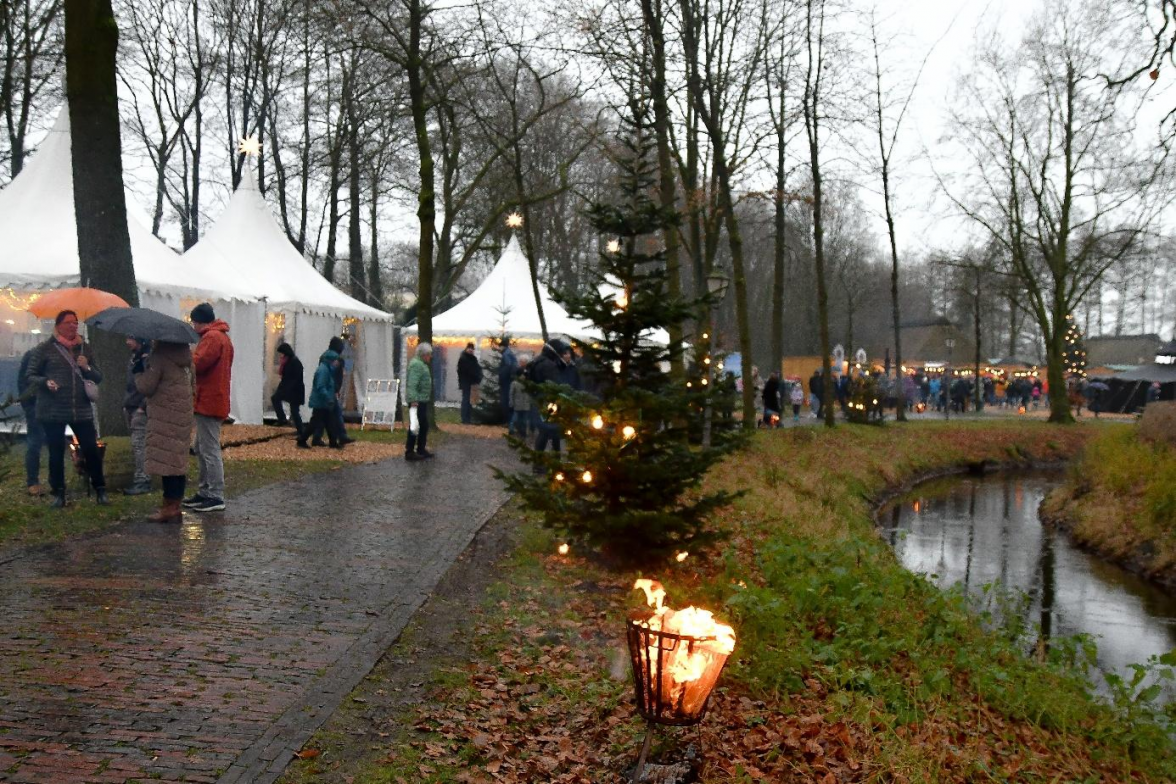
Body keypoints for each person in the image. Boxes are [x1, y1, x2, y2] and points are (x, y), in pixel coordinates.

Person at [27, 310, 108, 508]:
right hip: (53, 410)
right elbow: (30, 375)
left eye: (76, 322)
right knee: (56, 453)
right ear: (59, 326)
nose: (73, 326)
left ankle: (100, 490)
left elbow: (98, 377)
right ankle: (59, 493)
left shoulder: (84, 349)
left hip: (81, 409)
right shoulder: (45, 349)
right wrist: (45, 382)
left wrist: (87, 367)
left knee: (91, 449)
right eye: (69, 322)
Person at [135, 341, 195, 523]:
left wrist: (138, 370)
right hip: (183, 414)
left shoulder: (159, 358)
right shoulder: (187, 359)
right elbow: (194, 384)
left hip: (164, 415)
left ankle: (169, 507)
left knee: (167, 462)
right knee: (177, 460)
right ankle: (174, 504)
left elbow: (146, 387)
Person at [184, 302, 233, 513]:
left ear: (199, 321)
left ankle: (214, 494)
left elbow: (198, 363)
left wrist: (187, 355)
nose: (193, 326)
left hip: (209, 400)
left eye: (194, 322)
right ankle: (205, 491)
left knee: (209, 450)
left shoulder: (212, 338)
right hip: (213, 398)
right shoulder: (222, 337)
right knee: (202, 447)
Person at [298, 349, 346, 449]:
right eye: (335, 360)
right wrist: (328, 398)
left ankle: (333, 442)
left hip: (323, 401)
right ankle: (302, 439)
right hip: (321, 402)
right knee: (316, 423)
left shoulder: (326, 369)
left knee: (329, 421)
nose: (337, 363)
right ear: (331, 360)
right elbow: (321, 387)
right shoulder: (324, 370)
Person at [123, 337, 152, 495]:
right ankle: (141, 477)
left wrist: (142, 407)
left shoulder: (146, 359)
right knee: (137, 445)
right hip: (131, 405)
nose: (127, 342)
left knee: (140, 444)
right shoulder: (135, 357)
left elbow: (150, 385)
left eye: (131, 338)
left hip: (140, 408)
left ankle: (143, 479)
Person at [17, 346, 45, 496]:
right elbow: (22, 382)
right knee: (34, 443)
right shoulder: (33, 354)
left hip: (56, 407)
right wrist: (28, 406)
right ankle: (32, 481)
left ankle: (56, 481)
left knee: (56, 445)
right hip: (35, 406)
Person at [405, 343, 434, 460]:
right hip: (417, 400)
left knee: (423, 425)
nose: (430, 357)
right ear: (424, 354)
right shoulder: (417, 365)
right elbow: (412, 383)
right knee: (415, 426)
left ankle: (420, 449)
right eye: (429, 354)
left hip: (421, 399)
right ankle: (410, 451)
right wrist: (413, 399)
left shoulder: (420, 364)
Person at [271, 343, 305, 437]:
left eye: (281, 353)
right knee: (276, 399)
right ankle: (283, 419)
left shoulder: (294, 362)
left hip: (295, 390)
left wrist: (285, 389)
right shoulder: (288, 361)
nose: (280, 355)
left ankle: (301, 430)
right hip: (290, 389)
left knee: (294, 411)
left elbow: (294, 378)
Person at [326, 336, 354, 445]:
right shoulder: (338, 359)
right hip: (331, 390)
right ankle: (340, 436)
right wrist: (336, 389)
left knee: (323, 415)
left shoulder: (325, 356)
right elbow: (336, 376)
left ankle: (338, 437)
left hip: (326, 389)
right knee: (333, 414)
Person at [457, 341, 483, 424]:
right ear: (467, 349)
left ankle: (468, 418)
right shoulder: (463, 358)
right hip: (466, 382)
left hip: (472, 382)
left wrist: (478, 377)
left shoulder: (472, 358)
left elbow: (477, 369)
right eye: (470, 348)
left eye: (472, 349)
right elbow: (465, 371)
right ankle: (465, 419)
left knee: (470, 401)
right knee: (466, 400)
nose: (471, 350)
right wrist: (476, 377)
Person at [497, 338, 518, 422]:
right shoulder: (510, 353)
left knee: (505, 400)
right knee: (509, 400)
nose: (499, 349)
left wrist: (501, 376)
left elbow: (508, 366)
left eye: (500, 347)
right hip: (510, 380)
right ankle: (511, 421)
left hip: (506, 381)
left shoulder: (506, 354)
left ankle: (508, 421)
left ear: (503, 346)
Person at [509, 367, 533, 438]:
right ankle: (512, 429)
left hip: (526, 405)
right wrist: (511, 402)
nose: (524, 376)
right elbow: (511, 394)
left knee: (524, 420)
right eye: (523, 374)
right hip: (517, 405)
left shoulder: (528, 383)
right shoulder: (514, 383)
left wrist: (531, 402)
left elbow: (530, 394)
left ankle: (523, 432)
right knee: (515, 419)